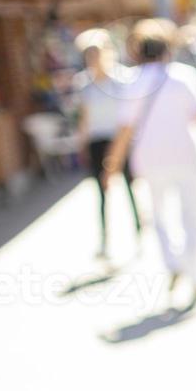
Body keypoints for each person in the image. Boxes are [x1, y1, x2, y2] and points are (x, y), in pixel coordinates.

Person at [103, 18, 196, 308]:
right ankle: (194, 274)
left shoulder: (133, 83)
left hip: (150, 160)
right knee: (190, 216)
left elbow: (125, 130)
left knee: (159, 217)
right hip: (185, 156)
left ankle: (174, 264)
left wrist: (112, 165)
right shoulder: (184, 77)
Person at [73, 29, 141, 260]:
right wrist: (81, 144)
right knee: (102, 194)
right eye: (89, 55)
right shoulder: (84, 84)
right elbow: (84, 118)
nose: (93, 60)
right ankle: (105, 240)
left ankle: (139, 232)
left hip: (120, 140)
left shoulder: (122, 79)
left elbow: (130, 117)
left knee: (131, 188)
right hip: (96, 142)